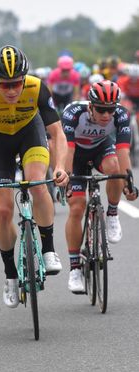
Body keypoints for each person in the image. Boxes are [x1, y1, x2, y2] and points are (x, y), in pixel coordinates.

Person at [0, 45, 69, 308]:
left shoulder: (37, 87)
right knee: (4, 211)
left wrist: (60, 166)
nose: (12, 90)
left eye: (17, 83)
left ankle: (48, 249)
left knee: (37, 184)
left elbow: (57, 134)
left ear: (25, 79)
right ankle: (10, 275)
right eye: (5, 85)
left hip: (30, 135)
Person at [62, 80, 137, 293]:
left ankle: (112, 214)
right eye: (101, 110)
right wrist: (66, 180)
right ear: (90, 106)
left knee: (115, 167)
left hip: (100, 149)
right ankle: (75, 268)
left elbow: (123, 152)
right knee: (77, 207)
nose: (106, 115)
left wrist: (128, 183)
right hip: (75, 155)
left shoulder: (121, 115)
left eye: (110, 110)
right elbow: (67, 151)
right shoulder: (73, 113)